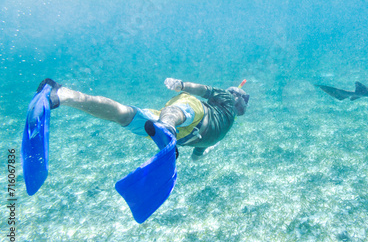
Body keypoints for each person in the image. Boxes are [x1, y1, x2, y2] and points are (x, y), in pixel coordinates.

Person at [36, 77, 249, 161]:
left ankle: (62, 95)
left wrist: (181, 84)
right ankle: (167, 129)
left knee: (129, 112)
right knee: (126, 116)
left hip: (192, 118)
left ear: (233, 97)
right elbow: (196, 157)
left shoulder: (226, 98)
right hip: (188, 139)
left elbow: (203, 89)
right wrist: (206, 149)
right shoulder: (226, 127)